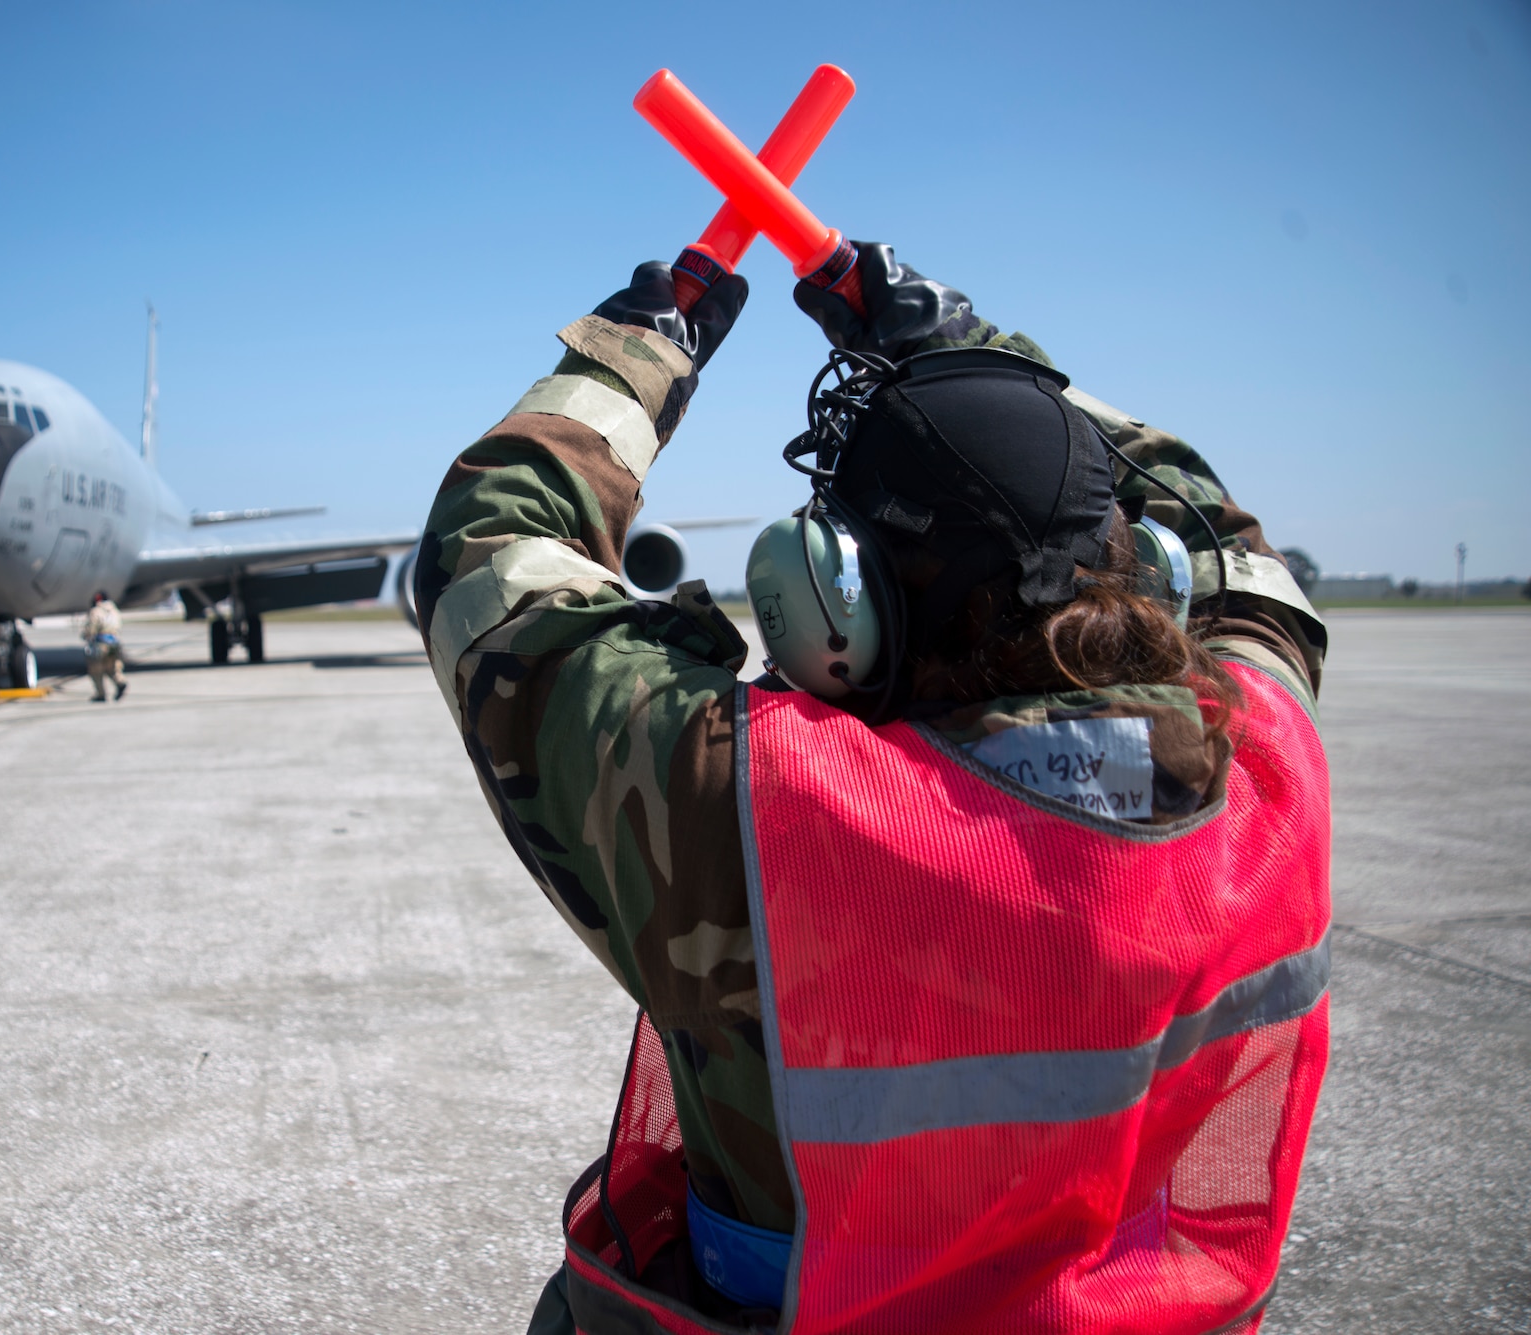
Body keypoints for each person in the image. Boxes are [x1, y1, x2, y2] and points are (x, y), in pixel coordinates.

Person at [417, 246, 1330, 1335]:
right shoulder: (1262, 765)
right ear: (1146, 576)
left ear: (829, 609)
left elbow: (491, 553)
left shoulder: (755, 803)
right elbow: (1231, 550)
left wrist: (634, 353)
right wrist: (964, 347)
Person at [83, 591, 127, 701]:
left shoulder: (96, 611)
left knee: (96, 670)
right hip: (114, 642)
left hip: (101, 643)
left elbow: (92, 628)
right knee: (113, 668)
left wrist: (86, 635)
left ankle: (101, 694)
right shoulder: (114, 611)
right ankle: (120, 682)